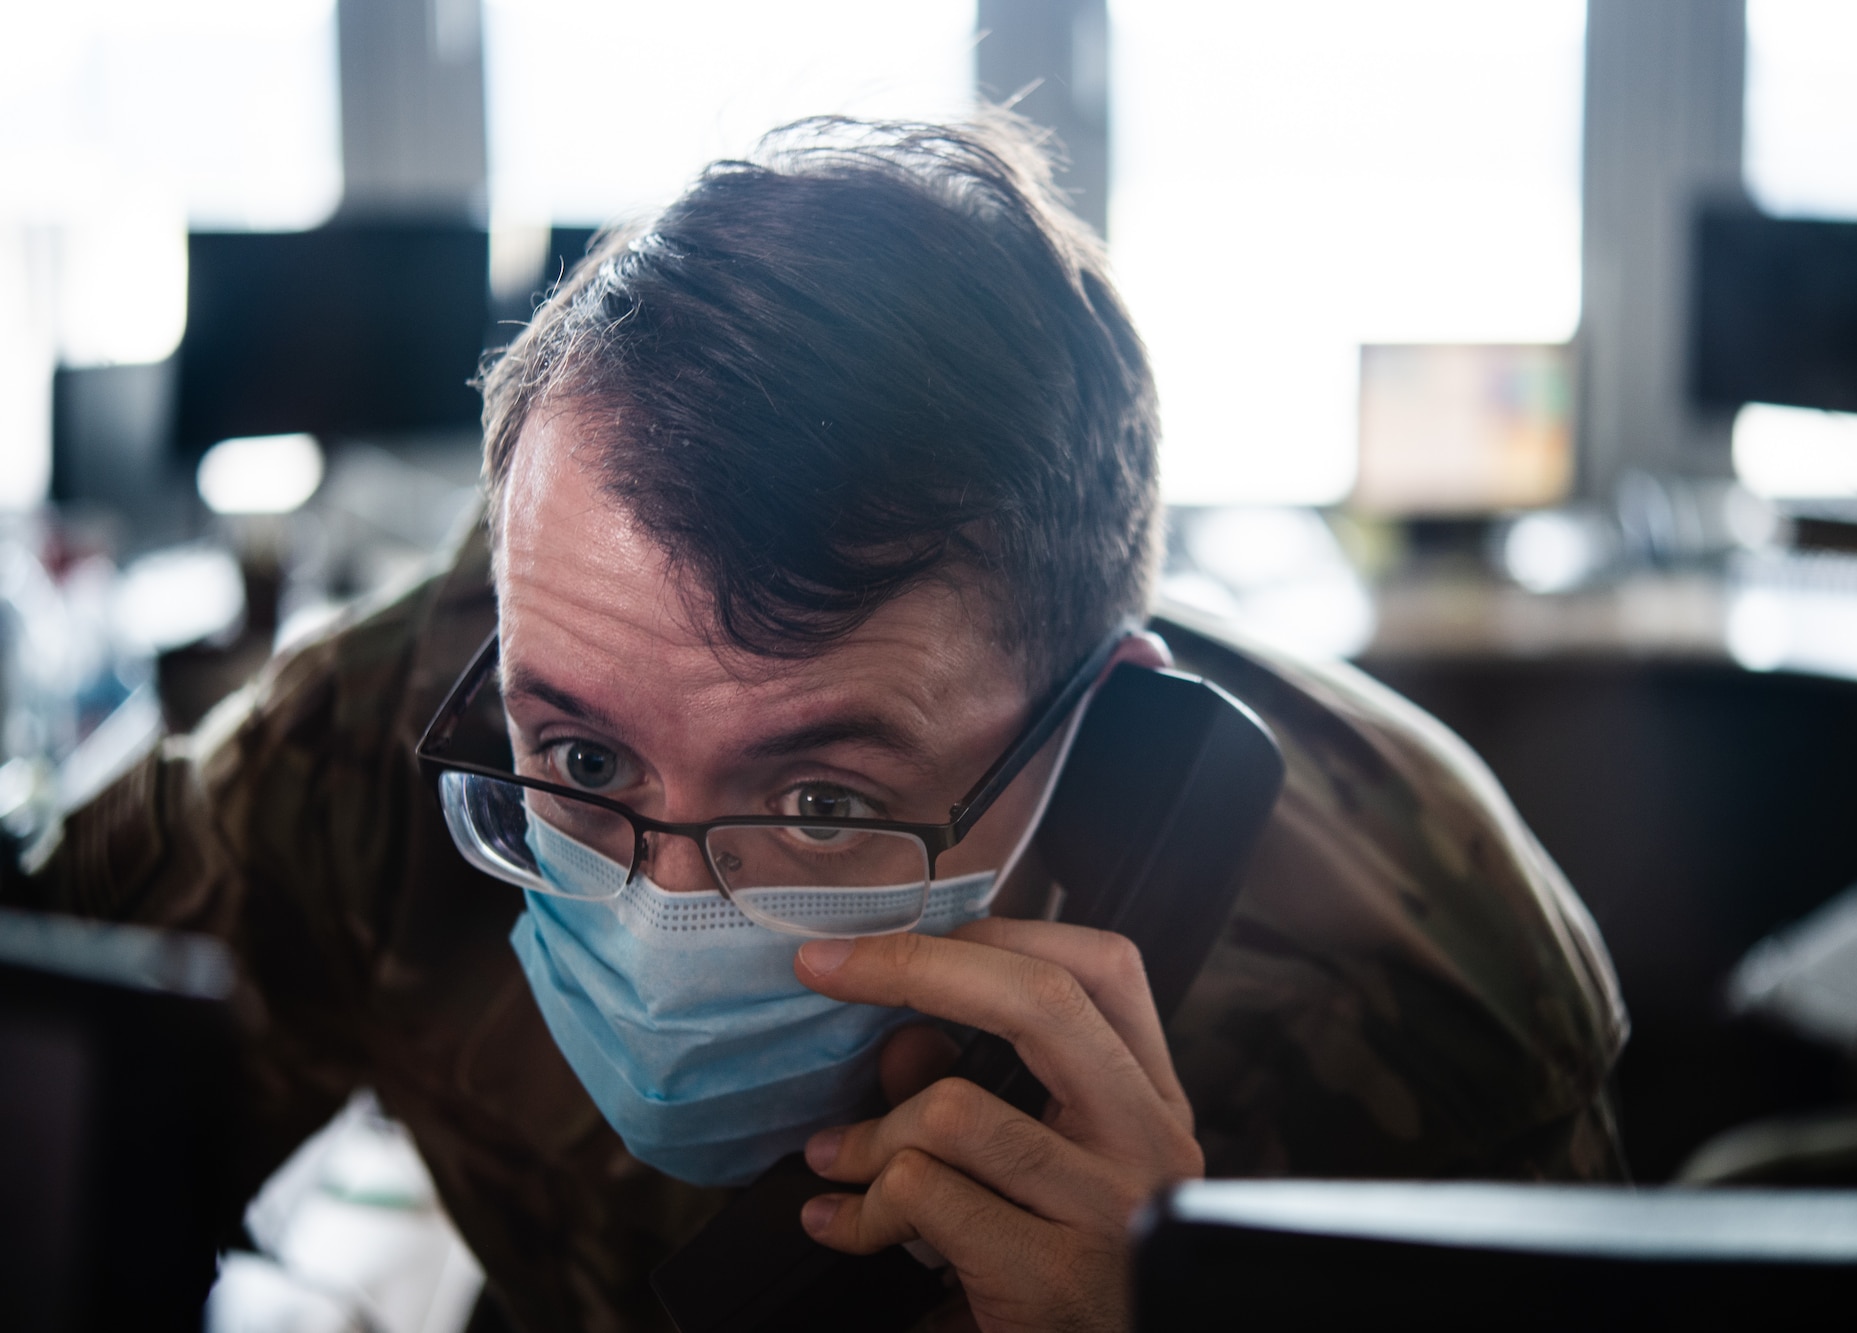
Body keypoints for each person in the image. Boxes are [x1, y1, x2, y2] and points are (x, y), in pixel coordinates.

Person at [6, 116, 1626, 1331]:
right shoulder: (385, 735)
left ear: (1090, 737)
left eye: (826, 803)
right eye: (582, 763)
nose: (663, 916)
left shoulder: (1431, 980)